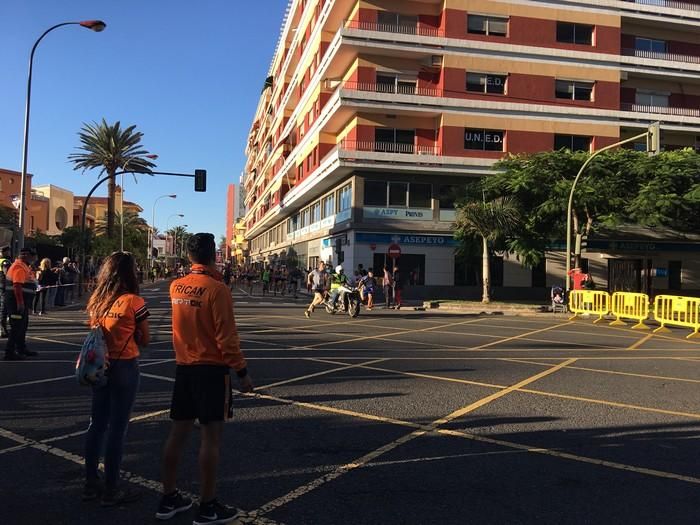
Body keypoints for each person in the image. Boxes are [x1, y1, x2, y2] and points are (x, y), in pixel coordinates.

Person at [158, 233, 252, 523]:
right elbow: (227, 338)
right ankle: (208, 505)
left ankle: (168, 497)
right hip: (211, 370)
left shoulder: (177, 286)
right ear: (213, 255)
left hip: (184, 368)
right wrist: (242, 372)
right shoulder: (217, 289)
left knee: (177, 434)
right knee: (211, 438)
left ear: (188, 256)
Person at [84, 251, 150, 506]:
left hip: (100, 365)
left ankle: (90, 483)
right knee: (117, 429)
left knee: (96, 424)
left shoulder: (97, 300)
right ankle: (112, 488)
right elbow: (145, 339)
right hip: (125, 366)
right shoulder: (134, 301)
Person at [4, 247, 37, 360]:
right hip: (16, 302)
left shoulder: (24, 266)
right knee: (16, 327)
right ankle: (9, 352)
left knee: (22, 326)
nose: (34, 258)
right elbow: (17, 286)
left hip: (22, 302)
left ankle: (21, 348)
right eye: (33, 256)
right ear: (26, 256)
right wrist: (20, 303)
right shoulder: (18, 266)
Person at [0, 245, 12, 337]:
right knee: (3, 309)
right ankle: (2, 330)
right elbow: (7, 274)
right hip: (4, 287)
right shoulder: (5, 261)